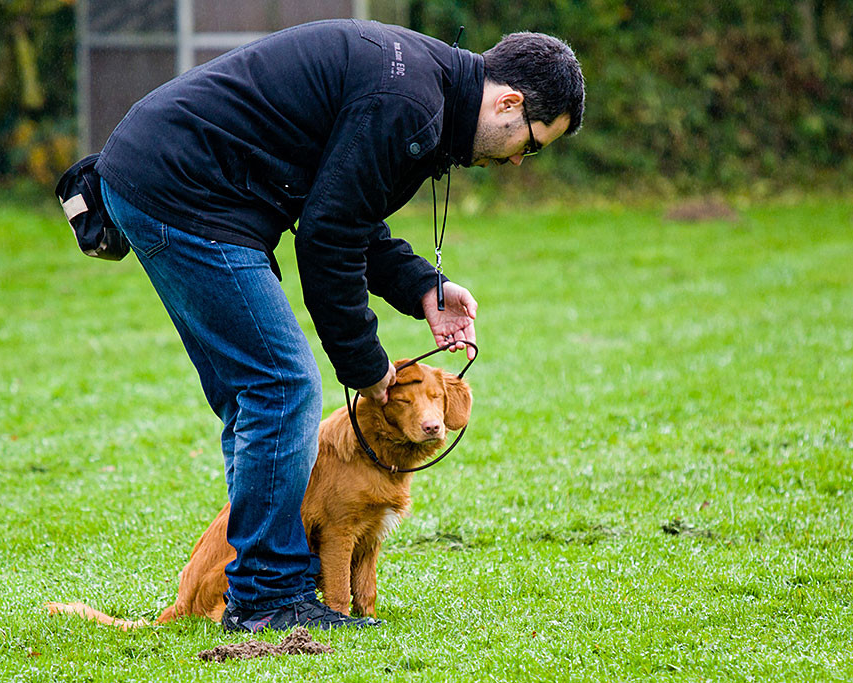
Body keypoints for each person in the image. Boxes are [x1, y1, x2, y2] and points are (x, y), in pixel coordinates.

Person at [96, 19, 584, 631]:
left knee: (259, 396)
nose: (519, 161)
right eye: (532, 144)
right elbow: (326, 238)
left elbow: (344, 210)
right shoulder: (409, 104)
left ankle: (259, 583)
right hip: (184, 189)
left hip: (165, 178)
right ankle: (269, 597)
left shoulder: (420, 95)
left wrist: (421, 287)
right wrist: (366, 365)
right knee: (281, 383)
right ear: (509, 103)